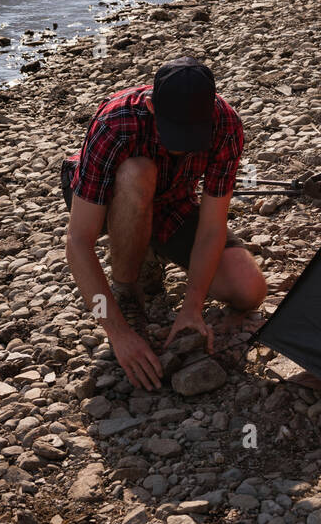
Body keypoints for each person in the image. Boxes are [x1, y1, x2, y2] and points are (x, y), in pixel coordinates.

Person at [64, 57, 267, 391]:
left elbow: (212, 226)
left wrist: (192, 307)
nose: (182, 146)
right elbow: (78, 241)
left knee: (249, 290)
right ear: (151, 107)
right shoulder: (115, 123)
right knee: (138, 173)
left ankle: (148, 247)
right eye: (175, 134)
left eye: (192, 136)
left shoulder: (226, 124)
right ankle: (127, 288)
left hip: (173, 201)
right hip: (106, 196)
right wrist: (118, 332)